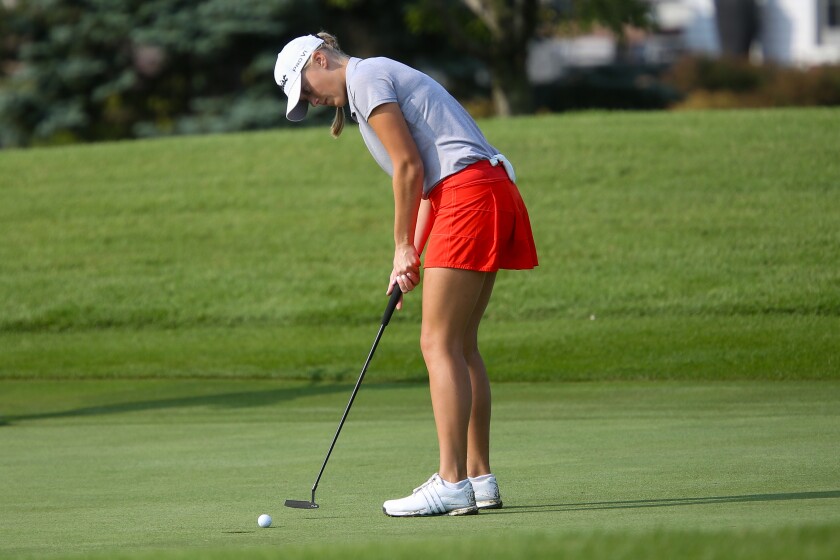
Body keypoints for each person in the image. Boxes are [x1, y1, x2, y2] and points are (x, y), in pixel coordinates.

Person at [274, 32, 538, 517]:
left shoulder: (368, 76)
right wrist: (409, 254)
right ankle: (478, 479)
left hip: (468, 196)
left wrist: (400, 247)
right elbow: (424, 189)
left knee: (437, 345)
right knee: (460, 345)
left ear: (319, 58)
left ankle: (451, 481)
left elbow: (409, 168)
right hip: (484, 189)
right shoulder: (368, 85)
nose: (310, 101)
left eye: (305, 89)